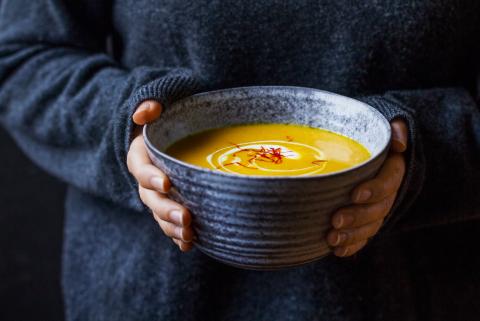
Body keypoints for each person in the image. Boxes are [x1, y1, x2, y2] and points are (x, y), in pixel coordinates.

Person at [0, 1, 478, 320]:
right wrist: (128, 125)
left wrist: (427, 152)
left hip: (412, 293)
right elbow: (21, 57)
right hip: (150, 296)